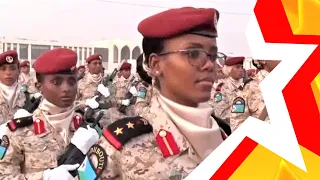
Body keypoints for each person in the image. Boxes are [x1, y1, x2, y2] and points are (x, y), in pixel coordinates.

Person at [98, 7, 227, 179]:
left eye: (213, 54)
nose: (210, 64)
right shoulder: (124, 145)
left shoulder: (225, 135)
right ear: (155, 65)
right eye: (193, 53)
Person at [0, 48, 99, 179]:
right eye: (56, 82)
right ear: (39, 86)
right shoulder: (19, 131)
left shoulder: (84, 127)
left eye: (71, 81)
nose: (66, 88)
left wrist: (92, 160)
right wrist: (45, 177)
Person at [229, 57, 267, 131]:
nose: (241, 70)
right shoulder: (247, 88)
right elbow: (236, 124)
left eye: (242, 67)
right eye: (237, 67)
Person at [0, 50, 26, 124]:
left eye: (12, 68)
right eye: (3, 69)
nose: (8, 73)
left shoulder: (26, 96)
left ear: (19, 71)